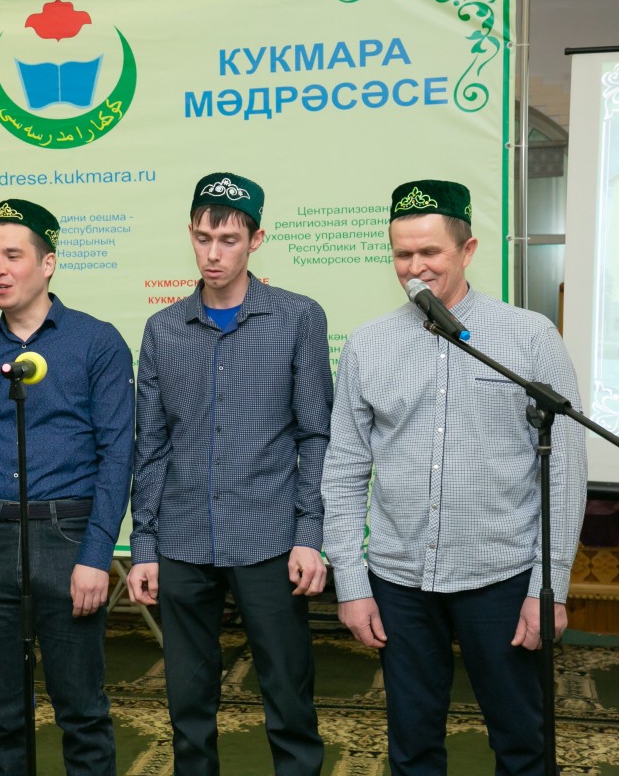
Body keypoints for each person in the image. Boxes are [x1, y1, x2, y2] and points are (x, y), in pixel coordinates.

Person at [321, 179, 588, 775]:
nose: (414, 267)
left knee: (521, 742)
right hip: (399, 579)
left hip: (501, 575)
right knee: (412, 745)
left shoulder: (529, 336)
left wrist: (549, 586)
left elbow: (565, 470)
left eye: (429, 252)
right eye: (402, 254)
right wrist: (352, 583)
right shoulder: (367, 344)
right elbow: (343, 469)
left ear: (467, 251)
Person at [127, 172, 332, 776]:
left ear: (256, 240)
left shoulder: (298, 318)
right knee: (188, 705)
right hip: (183, 540)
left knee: (288, 697)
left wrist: (309, 534)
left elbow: (315, 434)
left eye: (228, 240)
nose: (212, 253)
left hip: (269, 538)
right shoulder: (164, 329)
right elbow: (151, 447)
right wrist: (144, 546)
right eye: (202, 238)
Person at [0, 198, 134, 776]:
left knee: (82, 712)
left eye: (12, 256)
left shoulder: (96, 342)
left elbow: (117, 455)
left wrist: (97, 554)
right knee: (0, 714)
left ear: (47, 264)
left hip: (67, 537)